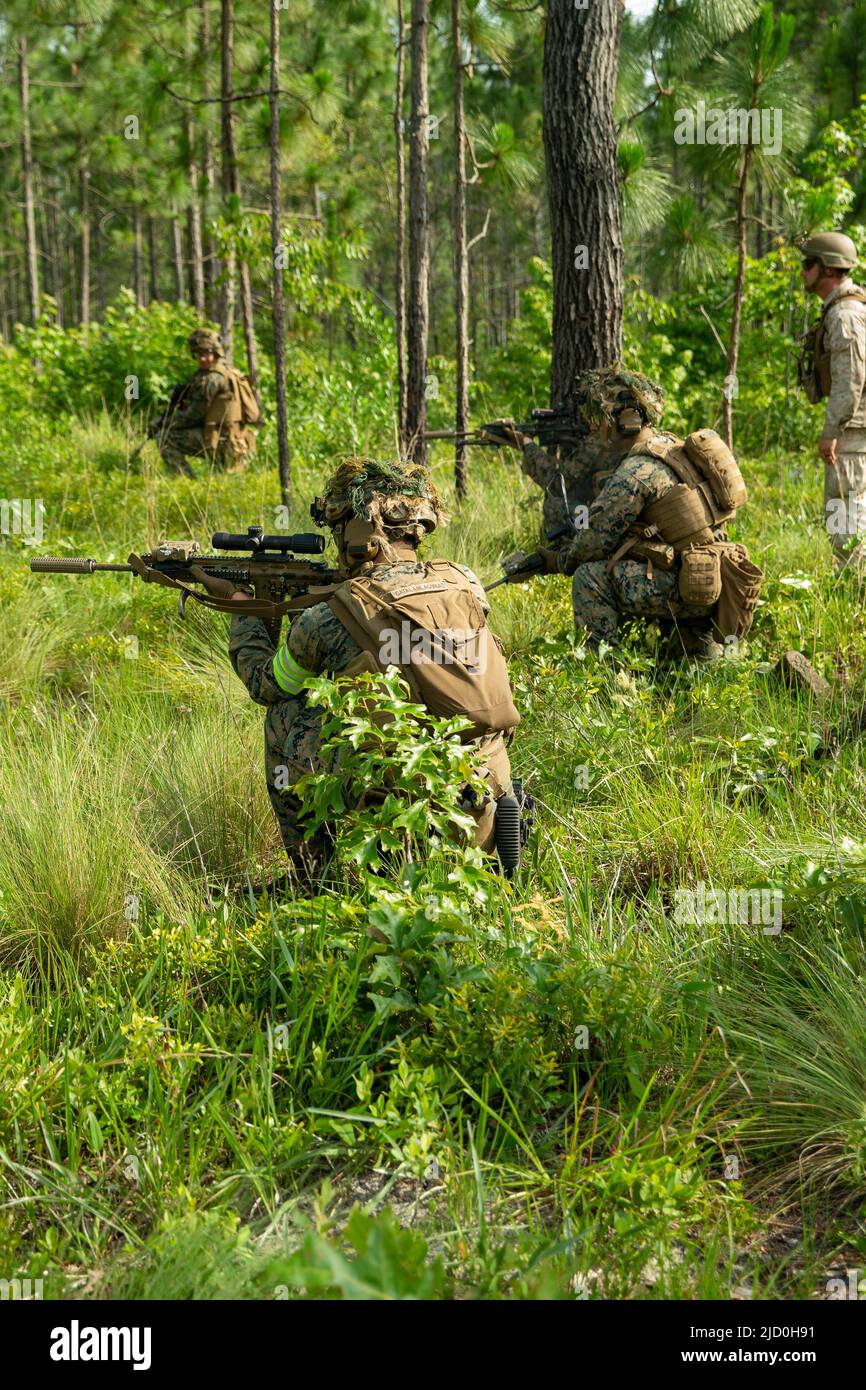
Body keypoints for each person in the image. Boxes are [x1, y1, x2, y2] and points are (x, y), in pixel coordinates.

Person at [191, 458, 521, 886]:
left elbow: (266, 683)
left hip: (396, 797)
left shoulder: (329, 616)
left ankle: (316, 878)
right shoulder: (465, 584)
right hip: (477, 786)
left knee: (284, 717)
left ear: (358, 532)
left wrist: (241, 604)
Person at [518, 368, 762, 660]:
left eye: (599, 419)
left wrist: (556, 561)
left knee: (589, 578)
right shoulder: (672, 448)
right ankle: (696, 658)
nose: (595, 429)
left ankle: (604, 673)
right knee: (688, 674)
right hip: (710, 579)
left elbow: (592, 545)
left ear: (621, 421)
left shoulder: (636, 472)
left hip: (688, 584)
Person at [479, 371, 666, 550]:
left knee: (555, 502)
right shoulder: (654, 441)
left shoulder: (604, 441)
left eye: (598, 417)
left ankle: (563, 548)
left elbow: (558, 481)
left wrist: (527, 446)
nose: (594, 425)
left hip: (630, 531)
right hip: (641, 527)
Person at [797, 232, 866, 570]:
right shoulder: (844, 311)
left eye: (808, 264)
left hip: (852, 432)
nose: (802, 272)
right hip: (852, 429)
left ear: (828, 270)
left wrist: (832, 429)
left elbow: (850, 378)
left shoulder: (844, 316)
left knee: (846, 516)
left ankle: (852, 591)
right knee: (847, 512)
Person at [151, 328, 259, 477]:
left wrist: (162, 423)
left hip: (223, 442)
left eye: (206, 354)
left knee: (165, 437)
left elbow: (193, 416)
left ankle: (185, 482)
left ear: (215, 353)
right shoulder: (229, 371)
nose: (201, 359)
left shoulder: (212, 378)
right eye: (198, 354)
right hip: (236, 440)